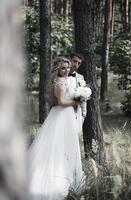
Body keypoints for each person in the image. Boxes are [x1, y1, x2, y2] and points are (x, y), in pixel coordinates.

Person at [28, 57, 85, 200]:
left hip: (66, 116)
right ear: (57, 70)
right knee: (58, 146)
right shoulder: (60, 81)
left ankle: (69, 178)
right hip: (61, 116)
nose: (66, 70)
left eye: (67, 67)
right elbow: (60, 101)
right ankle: (55, 179)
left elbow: (59, 99)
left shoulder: (66, 80)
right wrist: (76, 101)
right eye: (63, 68)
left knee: (67, 146)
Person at [69, 52, 87, 129]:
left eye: (79, 63)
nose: (76, 64)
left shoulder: (81, 77)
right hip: (62, 110)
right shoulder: (60, 75)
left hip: (76, 112)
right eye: (74, 61)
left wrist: (83, 113)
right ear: (69, 60)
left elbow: (83, 95)